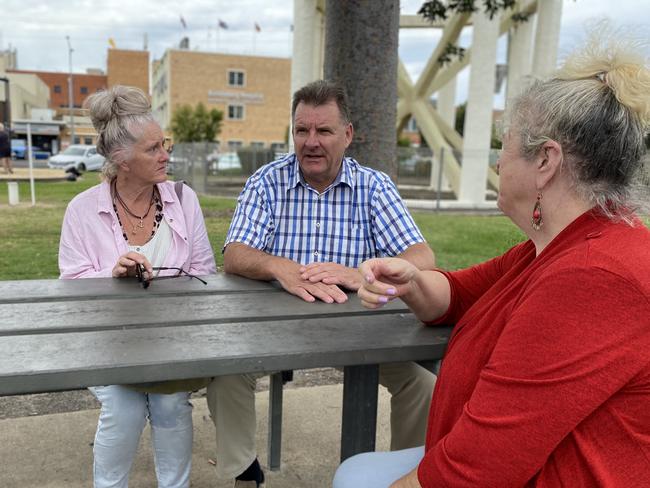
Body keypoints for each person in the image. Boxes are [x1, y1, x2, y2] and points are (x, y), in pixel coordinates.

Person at [333, 31, 650, 488]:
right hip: (480, 462)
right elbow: (459, 293)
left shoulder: (594, 277)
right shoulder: (553, 249)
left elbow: (474, 473)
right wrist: (413, 281)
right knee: (353, 472)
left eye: (506, 144)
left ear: (546, 160)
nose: (499, 164)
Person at [207, 80, 437, 487]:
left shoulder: (374, 187)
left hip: (359, 331)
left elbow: (421, 258)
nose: (311, 142)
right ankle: (245, 472)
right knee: (225, 374)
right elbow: (234, 254)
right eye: (302, 130)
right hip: (273, 329)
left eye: (324, 131)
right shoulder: (267, 181)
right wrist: (281, 267)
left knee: (424, 386)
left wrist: (359, 273)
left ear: (347, 135)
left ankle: (408, 475)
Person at [58, 85, 216, 488]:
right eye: (153, 149)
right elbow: (71, 285)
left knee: (169, 403)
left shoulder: (183, 198)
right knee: (123, 408)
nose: (166, 155)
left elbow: (203, 270)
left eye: (165, 145)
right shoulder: (82, 209)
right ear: (120, 160)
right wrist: (112, 275)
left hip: (169, 339)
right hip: (106, 341)